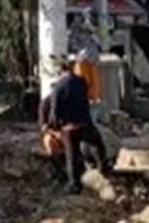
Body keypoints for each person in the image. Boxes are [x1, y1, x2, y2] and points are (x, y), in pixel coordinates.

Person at [38, 59, 112, 194]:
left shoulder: (58, 88)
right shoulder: (81, 82)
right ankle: (104, 169)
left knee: (71, 156)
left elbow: (55, 114)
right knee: (98, 144)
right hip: (85, 123)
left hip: (70, 129)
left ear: (60, 72)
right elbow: (86, 101)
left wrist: (53, 126)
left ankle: (74, 185)